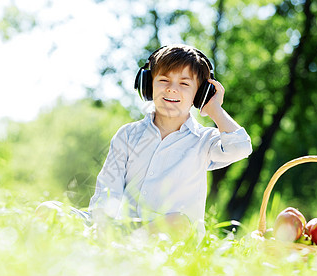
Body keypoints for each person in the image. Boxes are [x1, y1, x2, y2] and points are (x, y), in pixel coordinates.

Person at [87, 44, 252, 242]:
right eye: (163, 80)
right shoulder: (128, 135)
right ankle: (118, 244)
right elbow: (107, 190)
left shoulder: (204, 141)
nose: (172, 89)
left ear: (200, 94)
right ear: (148, 86)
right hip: (124, 229)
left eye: (184, 84)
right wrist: (101, 225)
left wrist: (214, 108)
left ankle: (124, 247)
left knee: (179, 222)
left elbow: (241, 147)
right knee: (49, 210)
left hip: (171, 235)